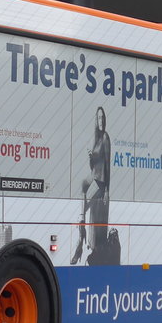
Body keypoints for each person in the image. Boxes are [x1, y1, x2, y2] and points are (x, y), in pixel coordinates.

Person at [71, 106, 111, 265]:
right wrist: (89, 158)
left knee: (84, 205)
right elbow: (93, 165)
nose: (101, 120)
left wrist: (107, 189)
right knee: (82, 186)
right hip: (93, 175)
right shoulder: (96, 137)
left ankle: (80, 241)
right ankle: (81, 233)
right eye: (98, 118)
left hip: (100, 181)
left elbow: (107, 164)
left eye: (103, 117)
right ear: (96, 120)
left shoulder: (106, 138)